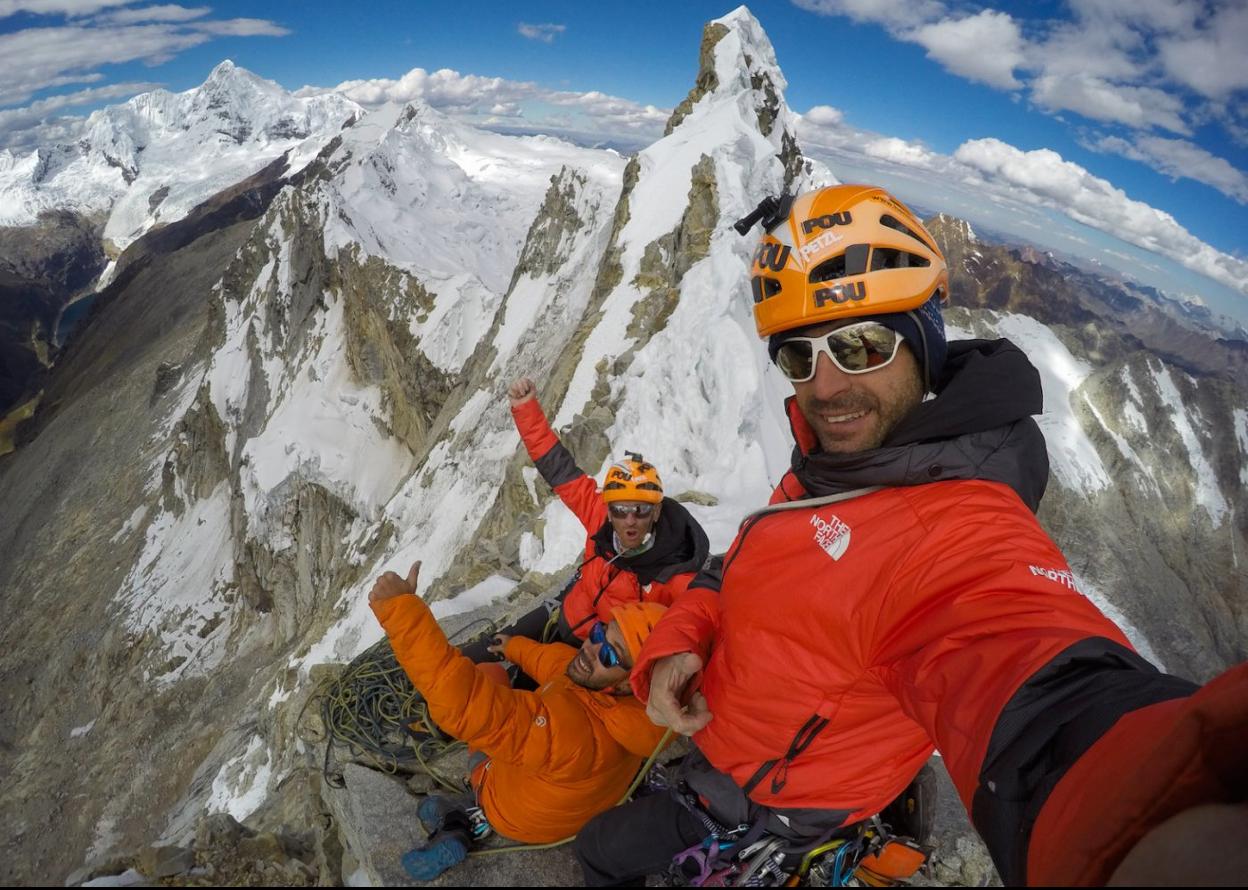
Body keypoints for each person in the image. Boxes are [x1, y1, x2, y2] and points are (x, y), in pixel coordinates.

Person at [574, 184, 1248, 886]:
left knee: (597, 852)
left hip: (778, 792)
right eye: (798, 358)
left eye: (860, 345)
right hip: (728, 733)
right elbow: (738, 570)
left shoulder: (955, 528)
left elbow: (1033, 680)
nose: (826, 386)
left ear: (923, 340)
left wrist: (1153, 819)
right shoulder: (837, 464)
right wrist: (682, 641)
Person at [368, 560, 670, 880]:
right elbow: (558, 665)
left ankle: (464, 819)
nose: (592, 649)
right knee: (500, 677)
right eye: (600, 633)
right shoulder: (646, 710)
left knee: (483, 691)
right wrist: (515, 647)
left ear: (629, 682)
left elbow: (465, 705)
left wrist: (400, 610)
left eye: (612, 654)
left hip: (514, 812)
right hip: (578, 805)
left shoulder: (568, 729)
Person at [458, 377, 710, 666]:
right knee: (485, 652)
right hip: (566, 611)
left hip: (599, 654)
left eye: (640, 509)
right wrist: (525, 409)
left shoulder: (674, 575)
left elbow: (700, 620)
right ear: (609, 508)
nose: (629, 520)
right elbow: (558, 467)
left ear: (656, 512)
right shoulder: (599, 516)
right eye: (620, 509)